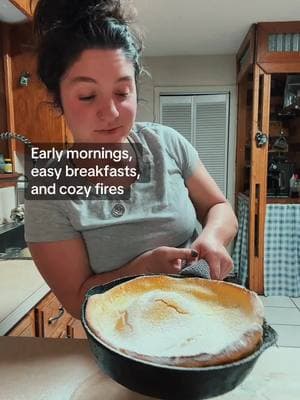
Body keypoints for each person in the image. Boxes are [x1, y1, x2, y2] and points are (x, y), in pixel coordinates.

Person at [25, 0, 238, 319]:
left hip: (198, 317)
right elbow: (76, 300)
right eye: (87, 96)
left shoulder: (166, 142)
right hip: (119, 342)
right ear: (59, 99)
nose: (110, 113)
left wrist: (212, 237)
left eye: (123, 93)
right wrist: (143, 268)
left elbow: (219, 208)